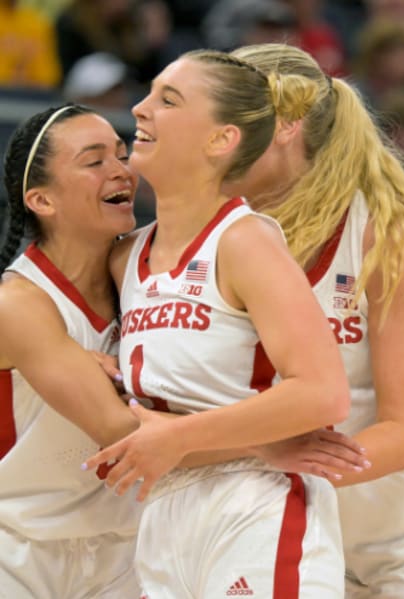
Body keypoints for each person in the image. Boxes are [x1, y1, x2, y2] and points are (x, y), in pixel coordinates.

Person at [222, 42, 404, 598]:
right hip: (291, 509)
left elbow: (402, 431)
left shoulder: (383, 227)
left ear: (283, 127)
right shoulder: (221, 230)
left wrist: (281, 464)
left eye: (228, 119)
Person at [83, 49, 353, 597]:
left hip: (255, 503)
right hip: (164, 512)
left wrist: (181, 436)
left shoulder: (245, 240)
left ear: (220, 140)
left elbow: (324, 392)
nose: (139, 108)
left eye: (168, 99)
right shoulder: (124, 256)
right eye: (149, 93)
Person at [0, 104, 143, 597]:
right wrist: (264, 441)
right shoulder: (18, 302)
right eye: (94, 160)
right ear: (41, 199)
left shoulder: (150, 274)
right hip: (19, 551)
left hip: (126, 552)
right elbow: (124, 432)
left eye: (123, 155)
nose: (122, 170)